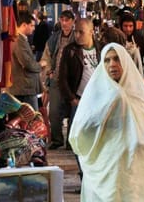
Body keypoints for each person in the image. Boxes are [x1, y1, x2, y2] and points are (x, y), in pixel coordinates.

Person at [69, 43, 144, 201]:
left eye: (117, 59)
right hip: (104, 166)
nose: (112, 64)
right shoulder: (95, 93)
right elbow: (79, 131)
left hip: (135, 167)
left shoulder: (137, 93)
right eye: (107, 60)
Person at [59, 19, 101, 176]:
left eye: (81, 32)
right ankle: (84, 172)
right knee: (76, 139)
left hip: (99, 102)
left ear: (91, 31)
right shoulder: (70, 50)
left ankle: (95, 173)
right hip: (79, 100)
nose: (77, 35)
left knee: (97, 138)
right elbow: (61, 78)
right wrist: (72, 99)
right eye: (75, 31)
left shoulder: (100, 49)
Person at [40, 10, 75, 149]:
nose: (64, 23)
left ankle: (71, 142)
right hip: (56, 80)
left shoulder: (77, 37)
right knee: (53, 112)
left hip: (73, 82)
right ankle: (56, 139)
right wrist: (49, 72)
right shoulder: (54, 38)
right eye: (62, 20)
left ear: (72, 21)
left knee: (74, 112)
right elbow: (46, 57)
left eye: (67, 20)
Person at [10, 14, 42, 110]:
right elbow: (27, 63)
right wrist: (40, 65)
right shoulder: (19, 40)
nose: (34, 29)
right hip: (24, 89)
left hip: (23, 88)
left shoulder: (20, 39)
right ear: (24, 25)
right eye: (32, 25)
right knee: (32, 119)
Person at [119, 12, 144, 85]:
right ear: (121, 26)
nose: (128, 29)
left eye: (130, 26)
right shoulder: (117, 39)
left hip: (138, 79)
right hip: (121, 80)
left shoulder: (140, 38)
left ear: (134, 26)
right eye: (125, 26)